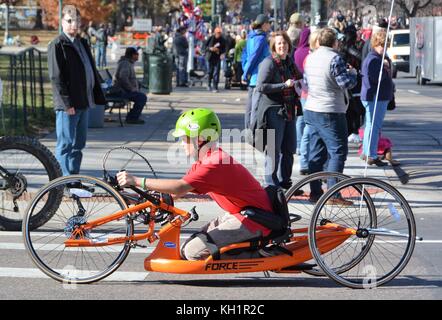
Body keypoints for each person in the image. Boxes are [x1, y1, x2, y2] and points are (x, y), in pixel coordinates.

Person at [116, 108, 276, 260]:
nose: (181, 144)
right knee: (187, 248)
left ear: (199, 138)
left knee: (193, 253)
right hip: (239, 215)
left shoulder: (214, 163)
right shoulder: (205, 160)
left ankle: (264, 253)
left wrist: (137, 181)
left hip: (255, 221)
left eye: (184, 139)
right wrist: (133, 201)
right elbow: (174, 193)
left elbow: (179, 187)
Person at [48, 5, 105, 176]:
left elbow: (89, 69)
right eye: (70, 21)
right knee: (65, 144)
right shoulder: (57, 45)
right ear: (62, 22)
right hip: (68, 105)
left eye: (77, 21)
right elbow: (56, 78)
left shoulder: (82, 43)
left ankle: (73, 177)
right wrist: (66, 103)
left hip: (84, 102)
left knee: (79, 144)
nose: (74, 24)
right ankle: (63, 181)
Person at [303, 28, 357, 204]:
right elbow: (345, 83)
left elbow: (306, 82)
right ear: (334, 42)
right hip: (330, 110)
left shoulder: (310, 58)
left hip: (312, 108)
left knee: (316, 153)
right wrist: (353, 73)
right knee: (337, 152)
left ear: (318, 41)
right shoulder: (335, 59)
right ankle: (333, 193)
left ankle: (315, 192)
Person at [254, 31, 302, 189]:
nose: (282, 46)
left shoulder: (289, 62)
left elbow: (299, 77)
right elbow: (261, 87)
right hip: (273, 110)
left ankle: (286, 182)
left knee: (289, 148)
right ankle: (271, 184)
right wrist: (283, 85)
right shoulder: (269, 63)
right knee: (273, 150)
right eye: (279, 43)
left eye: (285, 43)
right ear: (274, 46)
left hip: (289, 109)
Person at [360, 30, 394, 166]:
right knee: (374, 126)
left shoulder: (375, 58)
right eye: (381, 45)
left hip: (375, 97)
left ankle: (367, 151)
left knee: (371, 125)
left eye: (385, 45)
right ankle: (371, 154)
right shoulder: (374, 59)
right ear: (375, 44)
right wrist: (385, 68)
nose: (384, 48)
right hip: (375, 98)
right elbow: (376, 79)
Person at [242, 14, 271, 129]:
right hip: (258, 76)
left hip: (252, 76)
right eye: (269, 23)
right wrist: (246, 74)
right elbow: (254, 57)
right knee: (256, 106)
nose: (269, 25)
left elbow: (245, 56)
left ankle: (248, 129)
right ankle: (252, 132)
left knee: (250, 106)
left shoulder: (250, 37)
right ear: (264, 24)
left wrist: (245, 71)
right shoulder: (261, 38)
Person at [112, 47, 148, 124]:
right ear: (132, 55)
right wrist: (131, 88)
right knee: (141, 97)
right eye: (136, 54)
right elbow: (123, 78)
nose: (138, 56)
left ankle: (132, 116)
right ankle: (132, 118)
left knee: (141, 95)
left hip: (124, 90)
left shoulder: (128, 63)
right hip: (121, 91)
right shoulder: (125, 64)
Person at [294, 27, 311, 175]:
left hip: (300, 90)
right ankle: (304, 156)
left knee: (300, 120)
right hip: (309, 91)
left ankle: (299, 146)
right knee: (308, 126)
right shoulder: (309, 53)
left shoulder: (297, 52)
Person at [205, 27, 226, 92]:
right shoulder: (210, 38)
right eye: (217, 33)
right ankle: (208, 84)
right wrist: (210, 49)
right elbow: (204, 47)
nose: (218, 34)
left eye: (220, 33)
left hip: (217, 58)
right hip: (210, 57)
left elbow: (224, 49)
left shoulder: (222, 40)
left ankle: (215, 87)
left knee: (216, 72)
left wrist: (220, 52)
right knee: (209, 72)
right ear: (215, 33)